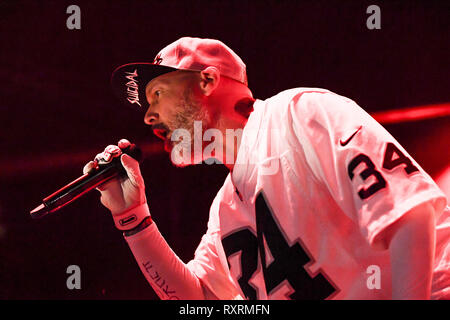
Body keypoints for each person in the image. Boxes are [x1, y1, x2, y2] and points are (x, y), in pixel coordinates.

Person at [84, 37, 449, 300]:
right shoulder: (226, 209)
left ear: (208, 80)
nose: (149, 115)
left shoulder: (300, 114)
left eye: (158, 94)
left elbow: (409, 218)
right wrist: (132, 216)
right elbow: (198, 300)